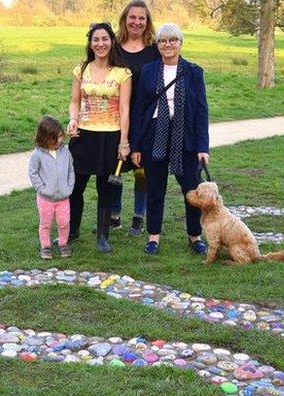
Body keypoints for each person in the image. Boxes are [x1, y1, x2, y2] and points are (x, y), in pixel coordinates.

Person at [129, 23, 209, 256]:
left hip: (186, 137)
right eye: (163, 41)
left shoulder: (194, 71)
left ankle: (195, 236)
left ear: (180, 43)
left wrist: (203, 146)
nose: (168, 44)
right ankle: (154, 236)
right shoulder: (149, 70)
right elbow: (140, 109)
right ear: (158, 45)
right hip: (154, 134)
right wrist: (135, 145)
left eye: (173, 40)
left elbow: (202, 111)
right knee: (155, 188)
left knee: (191, 189)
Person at [67, 22, 132, 253]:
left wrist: (124, 142)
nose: (100, 44)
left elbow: (125, 109)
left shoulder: (122, 73)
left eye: (105, 39)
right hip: (83, 136)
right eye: (96, 39)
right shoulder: (80, 70)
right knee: (75, 187)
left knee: (106, 189)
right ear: (90, 43)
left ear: (112, 42)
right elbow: (75, 101)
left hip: (111, 136)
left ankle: (103, 237)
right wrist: (73, 120)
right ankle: (72, 232)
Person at [113, 0, 160, 237]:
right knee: (116, 168)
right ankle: (114, 215)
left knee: (142, 171)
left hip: (144, 120)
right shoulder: (114, 47)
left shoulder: (154, 50)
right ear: (125, 19)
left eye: (142, 18)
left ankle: (139, 217)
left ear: (147, 22)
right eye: (133, 17)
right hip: (116, 118)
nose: (137, 22)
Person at [28, 116, 75, 259]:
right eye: (56, 138)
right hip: (45, 198)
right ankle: (46, 246)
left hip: (63, 197)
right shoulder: (37, 154)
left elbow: (70, 169)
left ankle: (63, 243)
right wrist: (42, 189)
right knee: (46, 223)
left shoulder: (65, 151)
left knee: (64, 222)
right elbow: (33, 172)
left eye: (61, 136)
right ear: (44, 138)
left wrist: (69, 187)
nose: (59, 141)